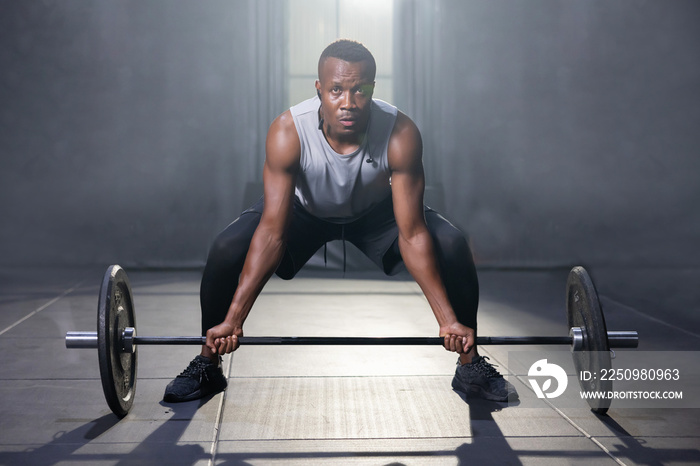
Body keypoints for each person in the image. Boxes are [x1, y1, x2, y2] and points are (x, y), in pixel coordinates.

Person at [163, 39, 517, 403]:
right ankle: (208, 362)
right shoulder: (288, 131)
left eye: (359, 90)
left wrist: (446, 320)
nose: (348, 102)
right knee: (226, 247)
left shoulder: (400, 133)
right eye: (336, 90)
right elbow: (271, 232)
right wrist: (235, 319)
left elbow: (411, 234)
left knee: (453, 243)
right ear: (319, 89)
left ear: (373, 89)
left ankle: (469, 361)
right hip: (303, 212)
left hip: (377, 214)